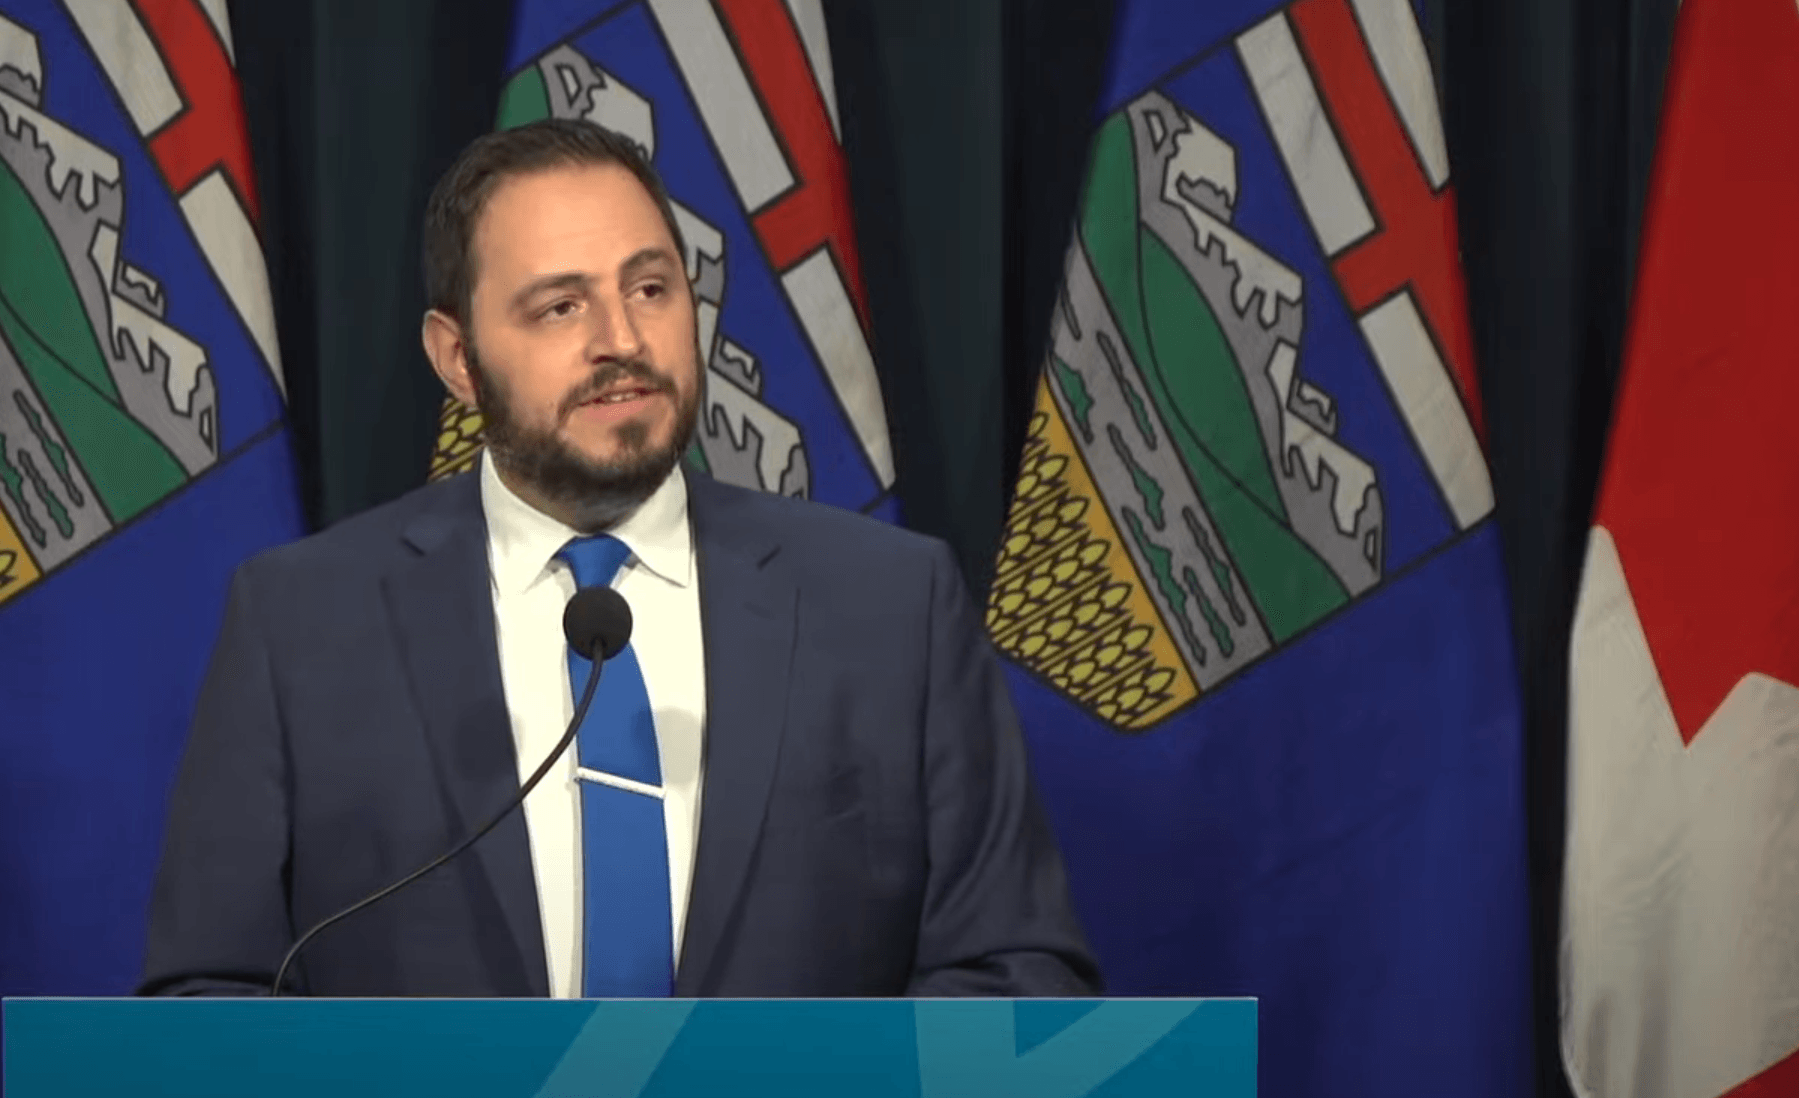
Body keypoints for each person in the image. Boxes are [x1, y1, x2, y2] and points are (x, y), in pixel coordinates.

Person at [139, 118, 1100, 998]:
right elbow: (208, 1001)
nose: (622, 341)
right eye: (559, 308)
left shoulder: (891, 606)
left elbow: (1020, 976)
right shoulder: (302, 626)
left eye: (650, 288)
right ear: (458, 359)